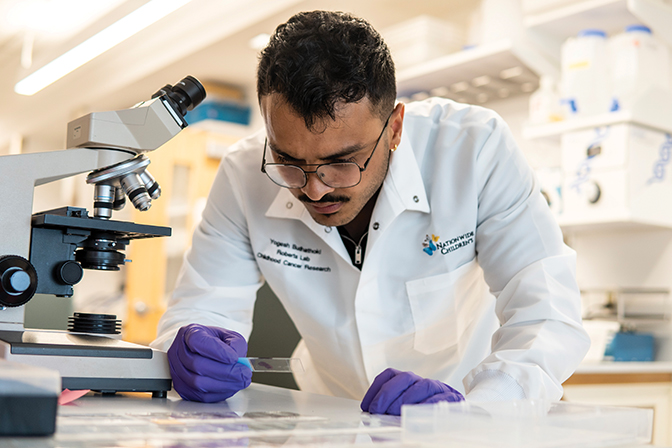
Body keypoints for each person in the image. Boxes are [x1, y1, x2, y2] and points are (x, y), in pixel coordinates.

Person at [151, 10, 590, 415]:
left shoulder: (474, 150)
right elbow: (205, 307)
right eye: (289, 161)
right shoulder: (243, 173)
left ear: (394, 127)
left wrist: (477, 411)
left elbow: (547, 315)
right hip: (327, 415)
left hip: (461, 413)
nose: (315, 188)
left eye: (342, 161)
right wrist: (191, 347)